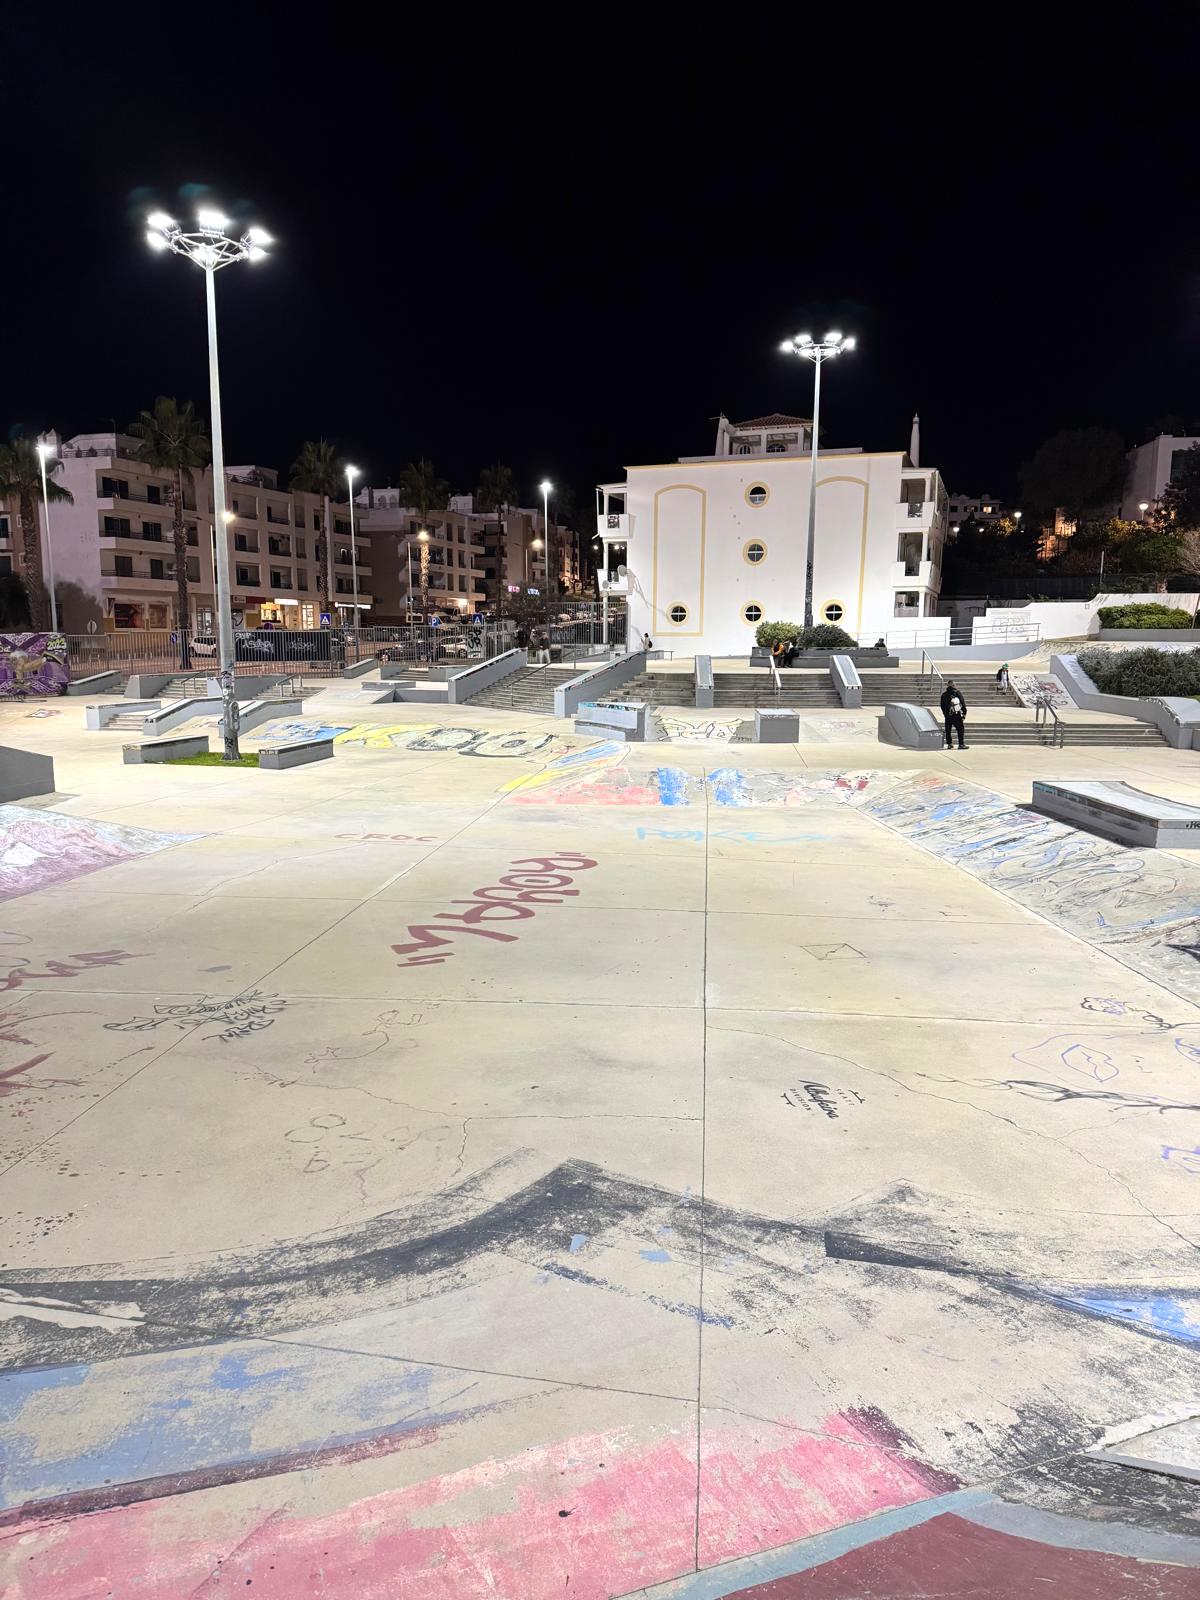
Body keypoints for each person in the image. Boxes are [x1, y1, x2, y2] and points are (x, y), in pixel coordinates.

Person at [940, 678, 968, 749]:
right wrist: (964, 713)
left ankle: (949, 744)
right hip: (956, 714)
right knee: (960, 729)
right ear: (953, 685)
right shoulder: (957, 693)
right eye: (955, 684)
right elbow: (963, 704)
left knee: (948, 730)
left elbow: (942, 706)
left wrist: (945, 713)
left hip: (948, 715)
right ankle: (961, 744)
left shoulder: (944, 695)